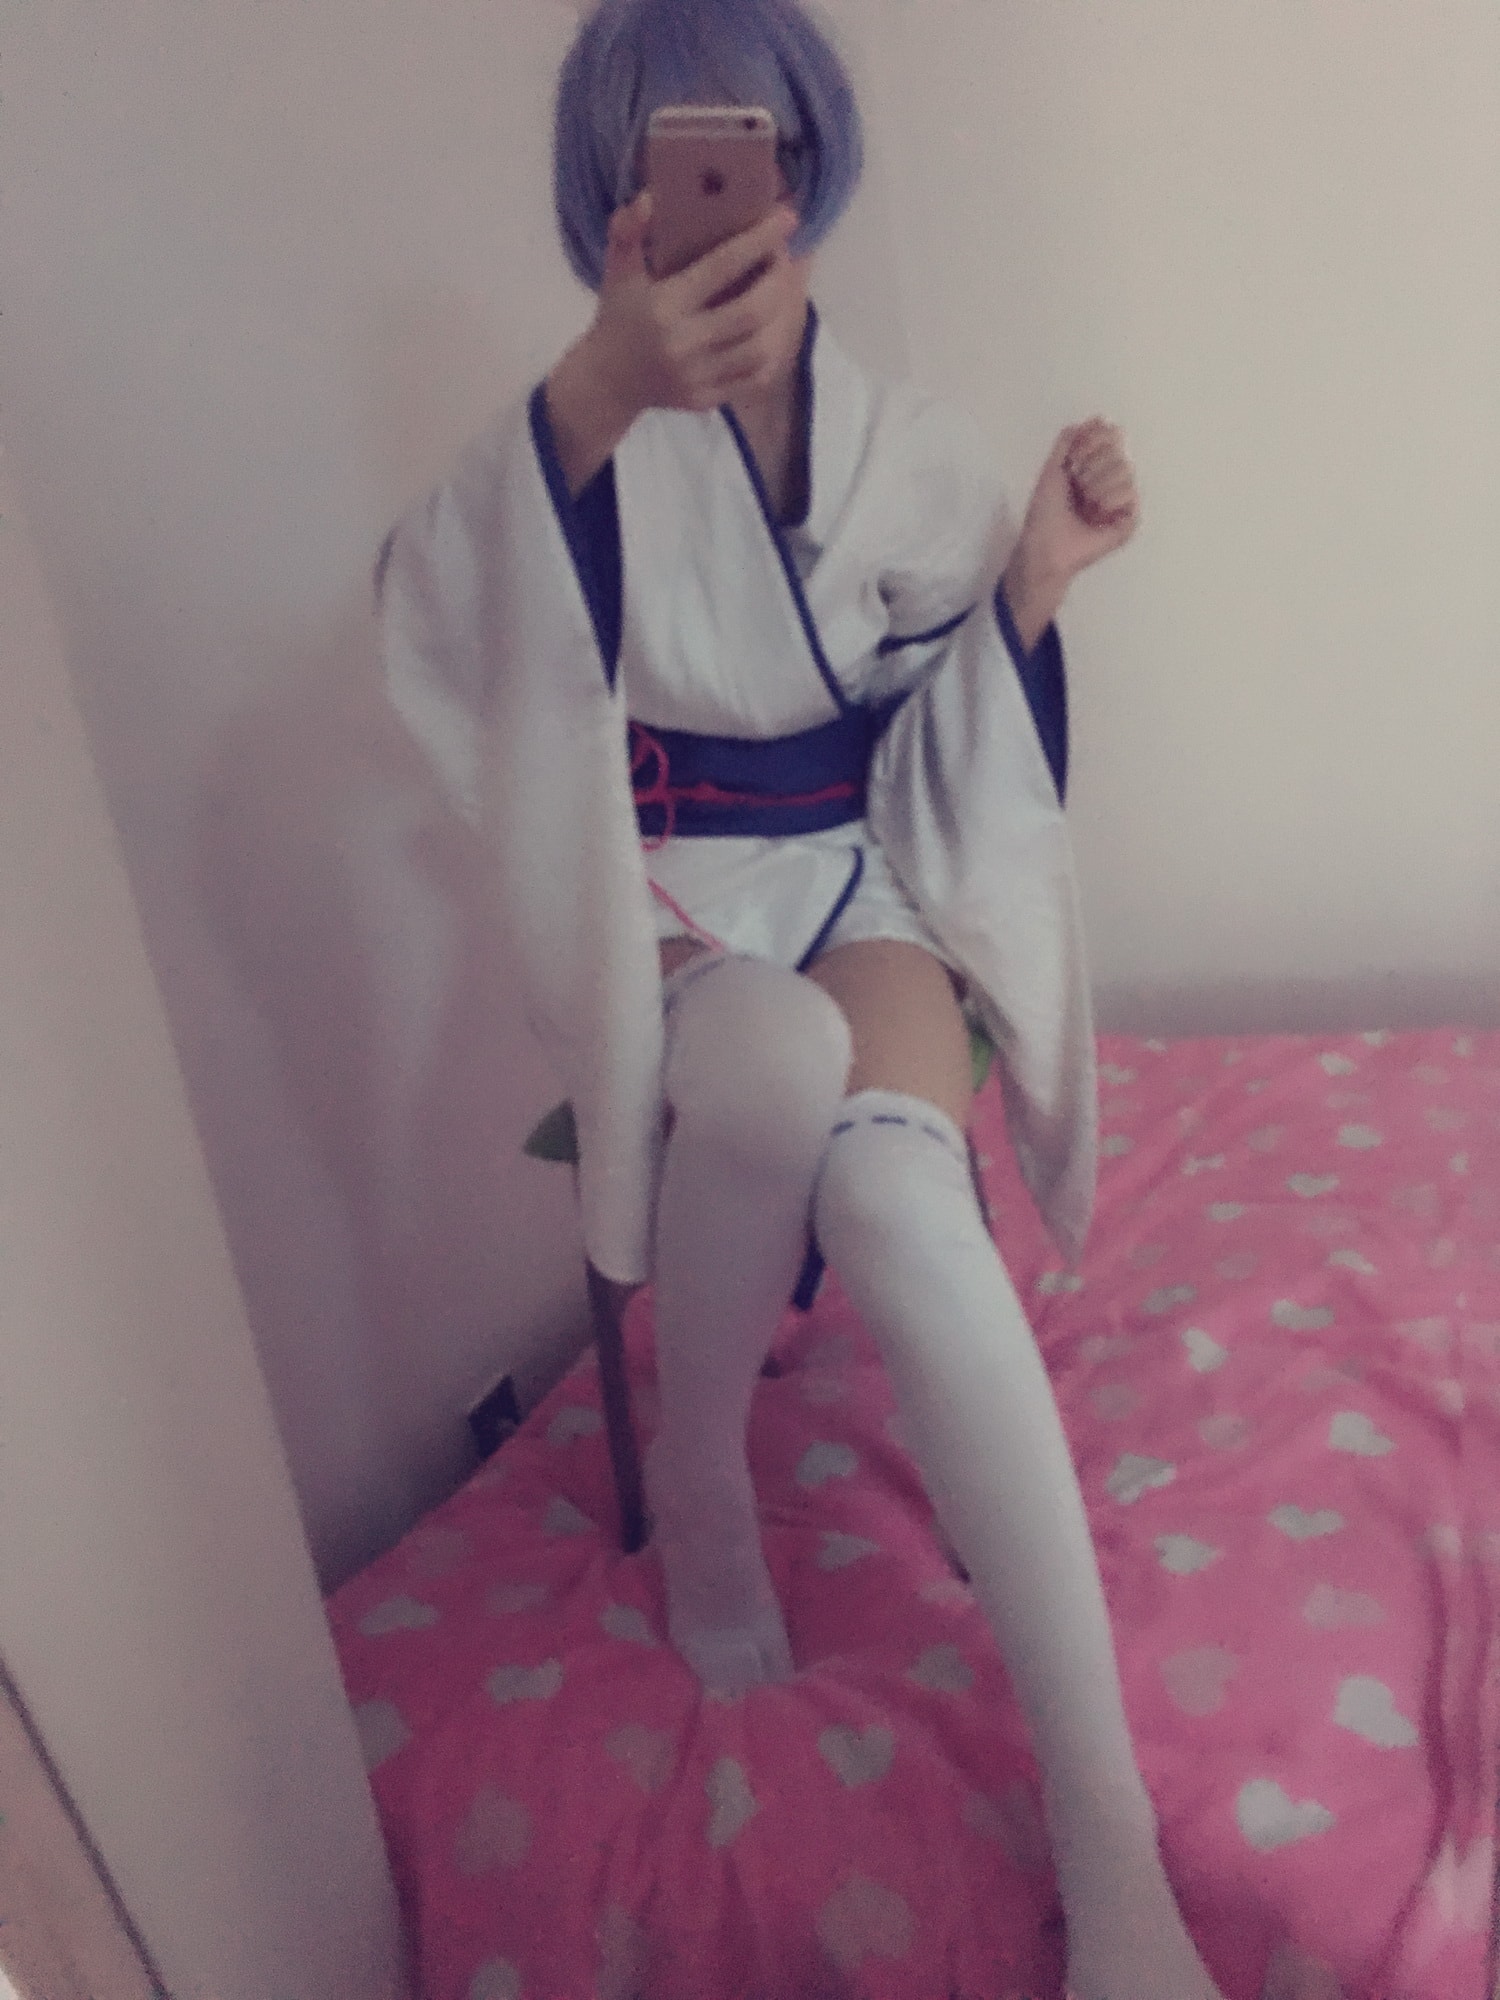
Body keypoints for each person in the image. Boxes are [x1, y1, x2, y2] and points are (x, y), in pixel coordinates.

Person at [377, 4, 1228, 1995]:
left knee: (903, 1192)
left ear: (806, 173)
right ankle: (703, 1487)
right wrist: (597, 389)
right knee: (762, 1055)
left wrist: (1034, 577)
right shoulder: (578, 432)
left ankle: (1112, 1850)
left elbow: (944, 754)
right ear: (615, 209)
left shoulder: (911, 451)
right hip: (679, 891)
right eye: (667, 173)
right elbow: (442, 628)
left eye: (748, 161)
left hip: (859, 868)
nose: (718, 210)